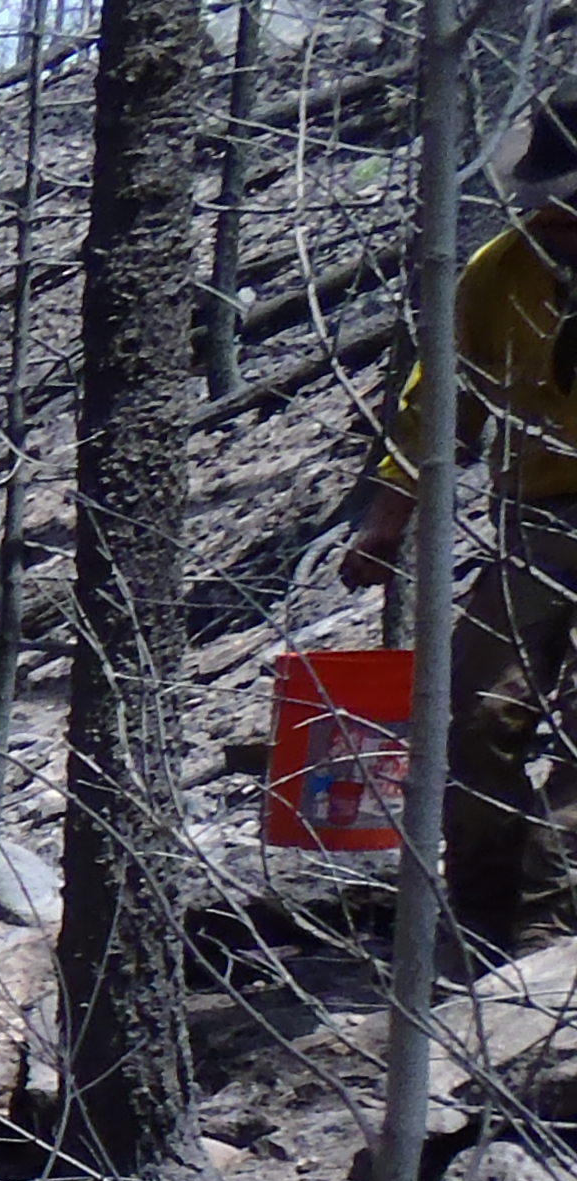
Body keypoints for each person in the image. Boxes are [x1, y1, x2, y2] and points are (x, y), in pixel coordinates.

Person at [339, 95, 577, 939]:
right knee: (476, 717)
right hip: (539, 517)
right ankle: (483, 931)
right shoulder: (497, 272)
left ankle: (550, 928)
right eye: (546, 203)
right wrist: (386, 524)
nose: (555, 219)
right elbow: (438, 406)